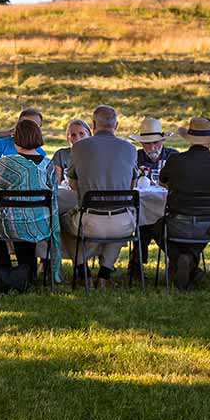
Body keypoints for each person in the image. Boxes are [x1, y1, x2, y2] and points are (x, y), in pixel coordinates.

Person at [0, 119, 57, 292]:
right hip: (41, 225)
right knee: (27, 219)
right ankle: (26, 273)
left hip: (10, 226)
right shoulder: (49, 165)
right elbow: (54, 196)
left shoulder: (7, 163)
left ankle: (3, 271)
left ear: (16, 139)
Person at [67, 105, 137, 288]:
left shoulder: (78, 148)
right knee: (121, 226)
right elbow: (132, 185)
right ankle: (104, 276)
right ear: (117, 125)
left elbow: (73, 185)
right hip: (121, 223)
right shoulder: (130, 149)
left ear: (93, 124)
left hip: (90, 222)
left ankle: (83, 271)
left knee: (62, 222)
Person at [158, 117, 210, 289]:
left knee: (156, 226)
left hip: (177, 224)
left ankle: (182, 259)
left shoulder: (175, 160)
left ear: (189, 138)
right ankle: (191, 264)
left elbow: (162, 180)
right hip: (208, 226)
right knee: (200, 233)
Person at [128, 117, 176, 278]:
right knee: (142, 223)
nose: (153, 147)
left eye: (156, 142)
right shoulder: (135, 157)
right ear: (141, 144)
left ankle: (136, 263)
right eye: (148, 143)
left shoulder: (173, 156)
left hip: (170, 209)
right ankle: (137, 264)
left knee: (150, 225)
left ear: (162, 141)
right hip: (143, 208)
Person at [49, 118, 91, 184]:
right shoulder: (60, 155)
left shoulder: (95, 155)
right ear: (68, 138)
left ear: (89, 135)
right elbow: (56, 185)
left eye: (82, 134)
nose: (78, 138)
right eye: (73, 135)